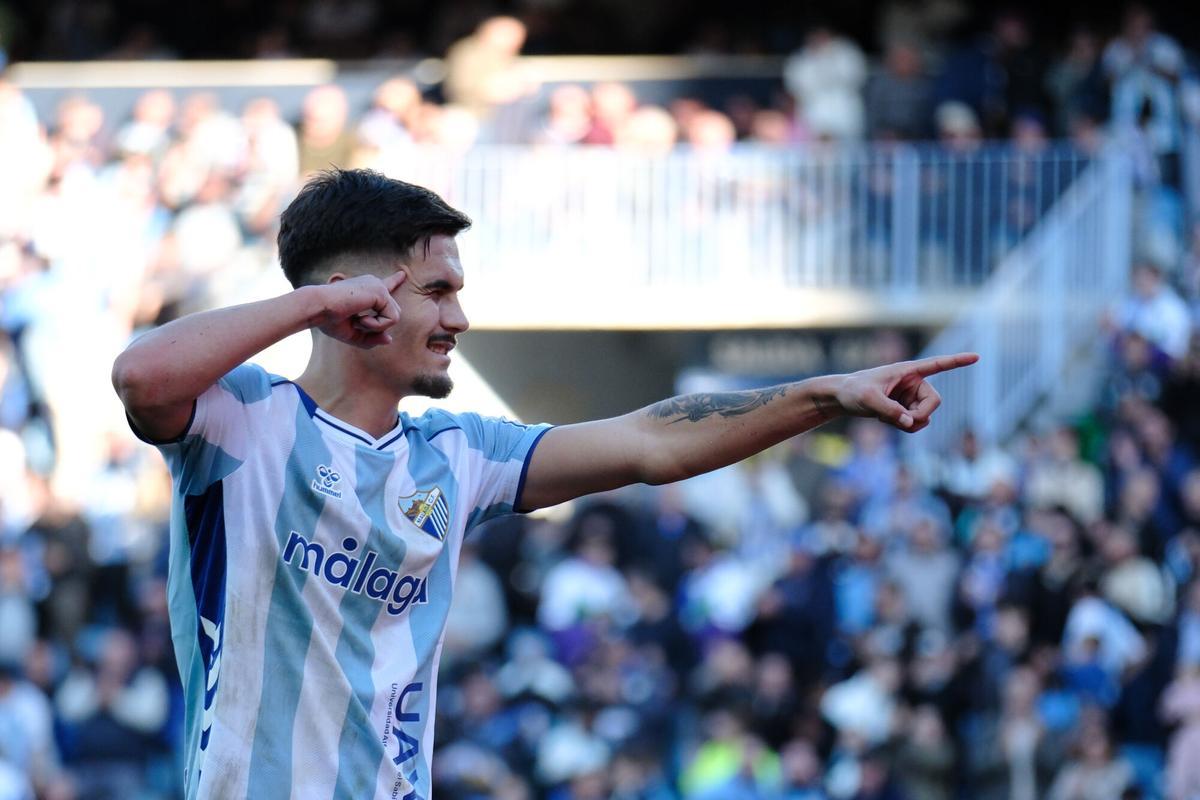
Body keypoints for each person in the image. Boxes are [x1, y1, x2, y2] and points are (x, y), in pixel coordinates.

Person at [110, 168, 978, 799]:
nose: (459, 317)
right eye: (438, 291)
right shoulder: (243, 419)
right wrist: (308, 305)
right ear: (352, 298)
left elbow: (649, 443)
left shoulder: (456, 454)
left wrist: (825, 395)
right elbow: (142, 378)